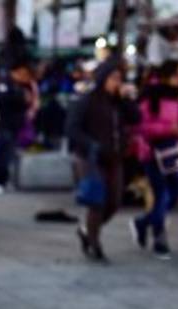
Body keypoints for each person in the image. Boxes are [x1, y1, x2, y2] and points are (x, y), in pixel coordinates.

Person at [67, 58, 137, 262]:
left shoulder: (118, 103)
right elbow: (72, 128)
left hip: (114, 157)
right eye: (114, 78)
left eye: (120, 79)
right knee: (97, 201)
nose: (117, 83)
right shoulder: (87, 100)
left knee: (114, 201)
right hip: (91, 157)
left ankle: (86, 230)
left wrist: (127, 99)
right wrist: (91, 145)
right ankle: (94, 244)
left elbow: (136, 118)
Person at [130, 61, 178, 259]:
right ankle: (159, 238)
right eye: (176, 75)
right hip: (152, 152)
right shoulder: (151, 97)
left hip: (173, 151)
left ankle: (144, 222)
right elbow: (141, 127)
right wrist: (165, 130)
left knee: (174, 194)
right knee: (161, 194)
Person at [0, 61, 36, 192]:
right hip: (5, 124)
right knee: (2, 154)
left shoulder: (24, 86)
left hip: (14, 126)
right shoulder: (6, 85)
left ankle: (1, 180)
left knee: (7, 154)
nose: (24, 76)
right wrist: (20, 97)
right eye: (21, 73)